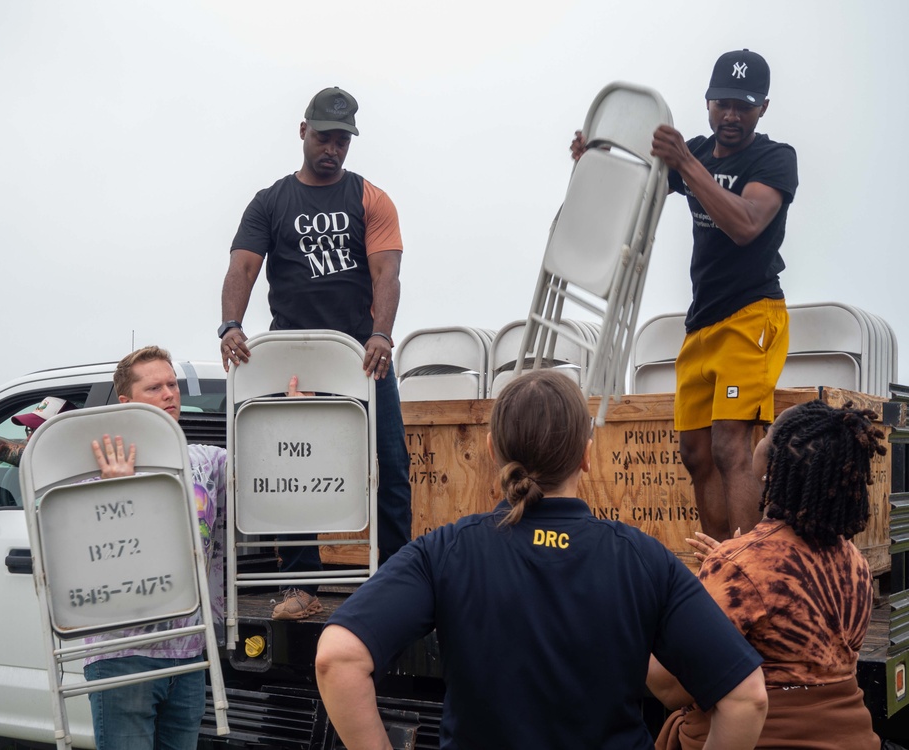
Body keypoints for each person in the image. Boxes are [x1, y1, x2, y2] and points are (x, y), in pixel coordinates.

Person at [315, 369, 768, 750]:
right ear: (587, 456)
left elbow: (337, 660)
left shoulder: (446, 550)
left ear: (492, 451)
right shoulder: (643, 558)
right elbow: (747, 700)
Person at [572, 49, 798, 540]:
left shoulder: (774, 158)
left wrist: (687, 164)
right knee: (695, 454)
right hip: (702, 324)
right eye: (723, 104)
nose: (732, 116)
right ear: (708, 102)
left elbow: (745, 224)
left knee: (729, 448)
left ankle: (748, 573)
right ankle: (718, 566)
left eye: (745, 105)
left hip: (752, 316)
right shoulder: (694, 152)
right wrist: (596, 155)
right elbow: (637, 181)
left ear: (763, 109)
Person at [219, 86, 412, 620]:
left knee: (391, 464)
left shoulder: (371, 198)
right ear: (302, 131)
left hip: (359, 355)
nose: (333, 149)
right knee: (290, 469)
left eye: (343, 141)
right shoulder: (270, 201)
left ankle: (401, 577)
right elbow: (242, 268)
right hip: (295, 359)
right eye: (325, 137)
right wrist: (231, 324)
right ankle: (303, 584)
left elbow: (386, 273)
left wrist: (381, 334)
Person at [648, 400, 885, 750]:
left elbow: (671, 687)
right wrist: (735, 567)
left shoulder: (743, 564)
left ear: (773, 460)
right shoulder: (856, 564)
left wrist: (651, 610)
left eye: (769, 431)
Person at [83, 346, 228, 750]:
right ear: (127, 403)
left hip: (189, 649)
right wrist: (115, 493)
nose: (170, 394)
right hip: (124, 651)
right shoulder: (95, 466)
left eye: (172, 385)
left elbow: (262, 468)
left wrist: (293, 416)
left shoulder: (205, 460)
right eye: (155, 387)